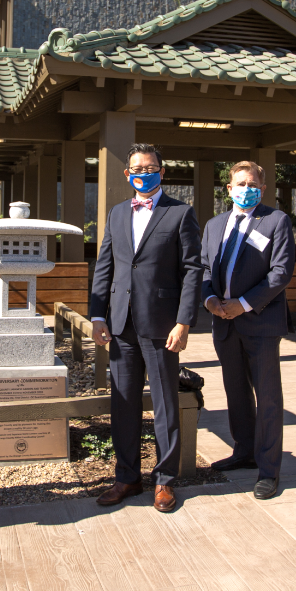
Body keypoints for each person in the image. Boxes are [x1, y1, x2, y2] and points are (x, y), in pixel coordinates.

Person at [89, 143, 202, 513]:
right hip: (120, 324)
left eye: (151, 167)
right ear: (127, 174)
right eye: (137, 167)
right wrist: (98, 315)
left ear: (162, 171)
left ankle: (165, 480)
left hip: (161, 324)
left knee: (166, 404)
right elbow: (104, 265)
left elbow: (192, 270)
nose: (144, 172)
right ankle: (127, 477)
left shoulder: (181, 213)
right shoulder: (117, 213)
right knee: (123, 404)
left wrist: (184, 321)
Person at [201, 161, 295, 499]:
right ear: (228, 189)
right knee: (235, 392)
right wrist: (210, 299)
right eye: (239, 183)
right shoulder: (214, 225)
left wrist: (243, 303)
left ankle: (269, 469)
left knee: (268, 398)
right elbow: (205, 268)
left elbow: (280, 272)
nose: (245, 188)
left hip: (260, 322)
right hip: (223, 322)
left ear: (263, 187)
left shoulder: (275, 221)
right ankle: (244, 451)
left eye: (252, 183)